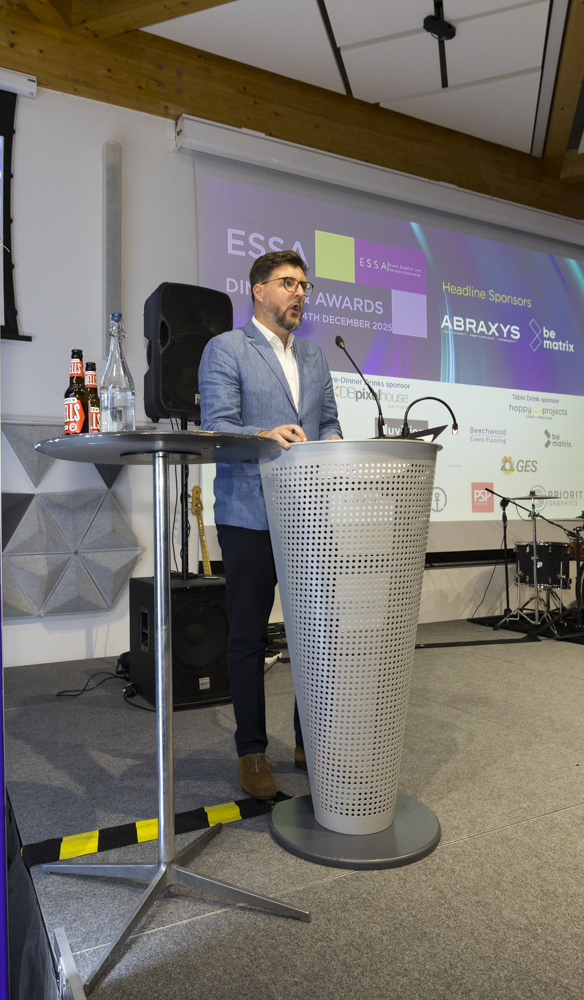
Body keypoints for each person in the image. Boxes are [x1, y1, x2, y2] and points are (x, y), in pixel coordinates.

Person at [197, 249, 342, 800]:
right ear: (258, 290)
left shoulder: (315, 356)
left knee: (316, 637)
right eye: (288, 283)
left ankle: (311, 742)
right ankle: (252, 752)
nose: (299, 292)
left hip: (309, 514)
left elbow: (328, 422)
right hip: (249, 513)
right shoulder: (226, 348)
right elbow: (217, 426)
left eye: (304, 285)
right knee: (248, 637)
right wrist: (265, 433)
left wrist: (332, 440)